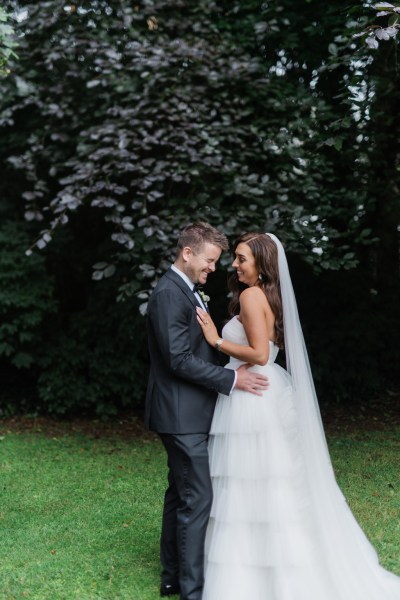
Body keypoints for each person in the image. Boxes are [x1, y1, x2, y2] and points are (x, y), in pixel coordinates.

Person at [196, 232, 400, 600]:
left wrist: (215, 340)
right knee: (268, 481)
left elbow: (259, 354)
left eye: (242, 258)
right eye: (237, 258)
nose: (235, 264)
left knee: (254, 482)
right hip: (262, 389)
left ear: (262, 263)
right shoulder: (264, 294)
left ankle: (259, 574)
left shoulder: (251, 295)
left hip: (253, 391)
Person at [145, 222, 269, 600]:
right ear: (187, 253)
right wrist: (231, 380)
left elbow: (199, 348)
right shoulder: (169, 294)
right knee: (198, 498)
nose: (214, 268)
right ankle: (192, 591)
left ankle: (173, 578)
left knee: (181, 495)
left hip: (189, 411)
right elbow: (179, 359)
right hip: (180, 414)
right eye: (210, 260)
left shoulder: (188, 291)